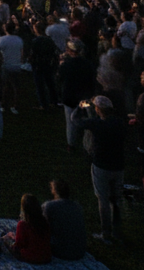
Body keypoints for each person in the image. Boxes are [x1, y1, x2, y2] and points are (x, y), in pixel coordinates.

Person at [69, 94, 126, 244]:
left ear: (98, 109)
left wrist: (80, 108)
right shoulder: (119, 123)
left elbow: (75, 120)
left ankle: (106, 233)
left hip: (101, 165)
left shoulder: (96, 124)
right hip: (118, 165)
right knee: (116, 200)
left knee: (103, 199)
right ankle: (117, 232)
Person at [41, 179, 87, 260]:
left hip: (61, 251)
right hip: (80, 251)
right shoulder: (77, 206)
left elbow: (42, 227)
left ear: (55, 191)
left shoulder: (49, 206)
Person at [2, 193, 51, 264]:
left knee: (6, 240)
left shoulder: (23, 224)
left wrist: (11, 240)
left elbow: (19, 245)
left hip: (31, 257)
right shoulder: (45, 222)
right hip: (46, 257)